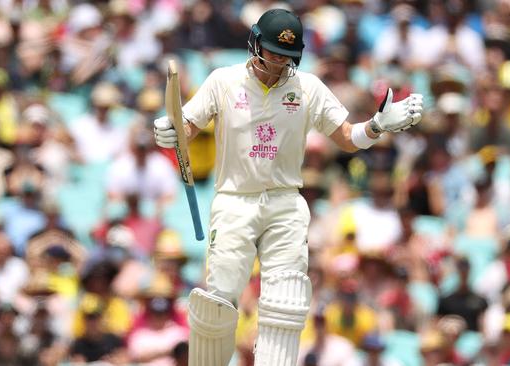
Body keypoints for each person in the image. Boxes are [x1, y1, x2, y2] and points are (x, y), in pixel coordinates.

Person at [154, 8, 423, 366]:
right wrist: (171, 131)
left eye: (287, 56)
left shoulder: (307, 87)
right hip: (236, 199)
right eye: (272, 52)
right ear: (255, 44)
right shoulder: (223, 81)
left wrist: (375, 126)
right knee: (219, 298)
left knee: (287, 299)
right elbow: (188, 124)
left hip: (285, 202)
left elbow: (345, 137)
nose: (279, 61)